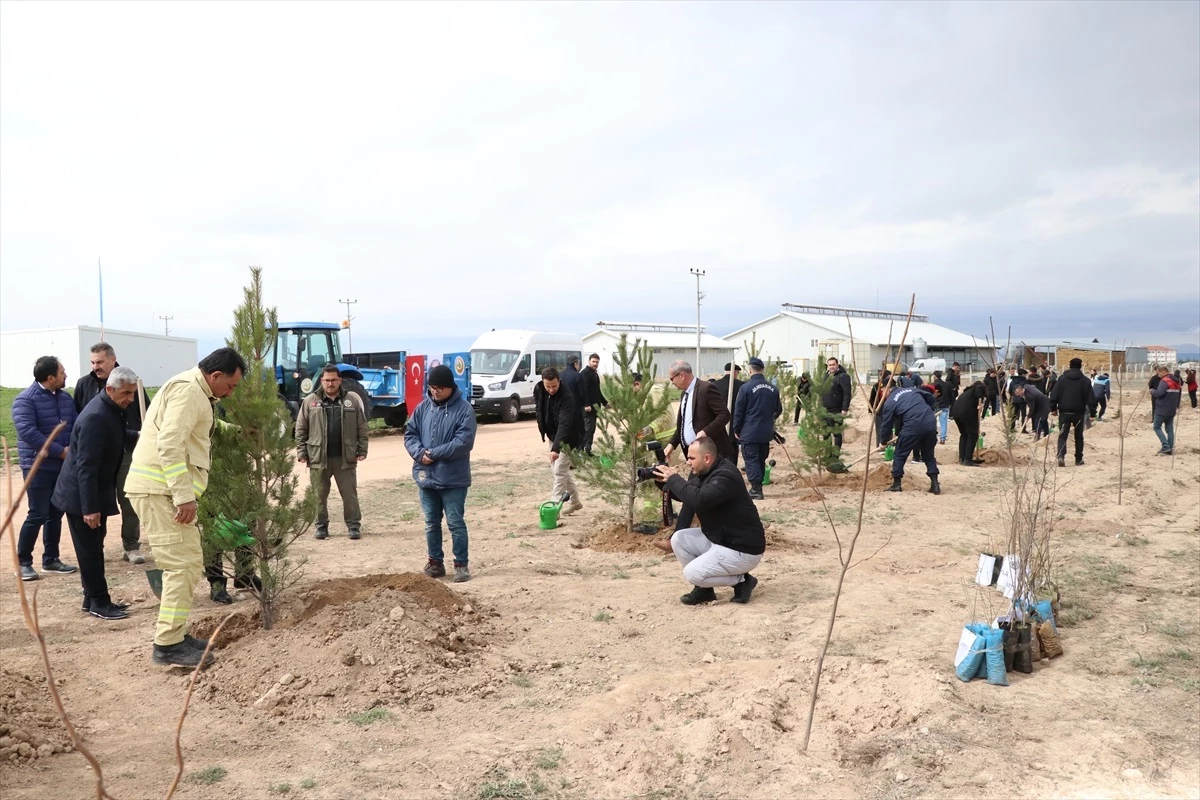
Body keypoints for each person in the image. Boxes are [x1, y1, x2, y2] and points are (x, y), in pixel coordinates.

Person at [125, 348, 245, 668]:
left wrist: (238, 432)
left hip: (162, 491)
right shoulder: (190, 391)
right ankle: (167, 645)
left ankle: (176, 636)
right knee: (181, 566)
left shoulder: (196, 392)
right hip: (161, 492)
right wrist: (184, 496)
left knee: (189, 564)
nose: (230, 393)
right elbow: (170, 444)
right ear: (215, 376)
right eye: (231, 386)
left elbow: (200, 428)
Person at [52, 366, 141, 619]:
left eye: (133, 393)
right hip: (81, 496)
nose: (131, 399)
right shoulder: (95, 417)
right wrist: (89, 508)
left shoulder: (111, 409)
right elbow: (86, 468)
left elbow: (117, 435)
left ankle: (90, 598)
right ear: (110, 389)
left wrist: (141, 436)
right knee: (90, 551)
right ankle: (99, 603)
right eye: (126, 393)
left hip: (91, 492)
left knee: (93, 547)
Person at [653, 437, 765, 605]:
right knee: (679, 539)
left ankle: (742, 581)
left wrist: (675, 479)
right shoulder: (707, 471)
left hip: (742, 549)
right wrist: (664, 482)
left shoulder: (726, 475)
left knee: (692, 573)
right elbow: (688, 495)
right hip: (722, 539)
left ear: (707, 458)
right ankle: (704, 591)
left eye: (691, 458)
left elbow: (699, 500)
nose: (688, 463)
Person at [74, 342, 151, 564]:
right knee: (100, 497)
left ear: (112, 359)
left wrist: (140, 437)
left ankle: (131, 545)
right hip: (99, 453)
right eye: (92, 362)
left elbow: (145, 411)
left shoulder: (132, 382)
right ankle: (98, 543)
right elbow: (79, 416)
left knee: (128, 498)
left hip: (126, 450)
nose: (95, 366)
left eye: (100, 362)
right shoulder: (84, 384)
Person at [405, 364, 478, 582]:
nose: (434, 391)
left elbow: (463, 442)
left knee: (455, 522)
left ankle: (461, 565)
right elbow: (410, 434)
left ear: (450, 388)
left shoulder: (464, 410)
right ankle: (435, 562)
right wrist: (419, 454)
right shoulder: (422, 408)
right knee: (431, 522)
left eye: (439, 388)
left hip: (453, 478)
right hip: (426, 476)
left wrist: (434, 453)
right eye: (431, 387)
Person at [12, 356, 78, 582]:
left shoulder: (65, 399)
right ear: (50, 378)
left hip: (61, 466)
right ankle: (23, 563)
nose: (66, 375)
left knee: (55, 513)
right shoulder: (25, 400)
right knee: (38, 512)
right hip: (37, 466)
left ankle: (51, 559)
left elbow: (75, 424)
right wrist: (60, 451)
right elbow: (28, 433)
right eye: (62, 372)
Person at [295, 364, 370, 540]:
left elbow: (362, 427)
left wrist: (362, 449)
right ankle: (321, 526)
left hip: (345, 457)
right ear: (322, 381)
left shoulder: (351, 400)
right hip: (318, 458)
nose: (330, 383)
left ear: (340, 380)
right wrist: (302, 452)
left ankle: (353, 526)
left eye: (334, 380)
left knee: (350, 495)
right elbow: (300, 429)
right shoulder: (310, 402)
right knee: (319, 495)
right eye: (327, 380)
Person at [534, 366, 585, 514]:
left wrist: (556, 448)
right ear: (543, 382)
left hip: (569, 437)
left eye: (554, 386)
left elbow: (565, 423)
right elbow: (539, 410)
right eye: (547, 386)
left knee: (559, 472)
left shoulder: (566, 396)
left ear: (559, 381)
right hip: (553, 435)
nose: (551, 389)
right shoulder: (539, 390)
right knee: (559, 471)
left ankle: (553, 509)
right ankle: (575, 502)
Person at [664, 361, 735, 461]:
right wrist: (672, 444)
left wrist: (705, 432)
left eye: (672, 378)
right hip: (695, 455)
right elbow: (683, 425)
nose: (672, 382)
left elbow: (724, 414)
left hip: (712, 455)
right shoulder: (684, 394)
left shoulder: (706, 389)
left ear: (682, 375)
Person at [733, 358, 782, 500]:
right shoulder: (773, 388)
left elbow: (739, 411)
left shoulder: (746, 388)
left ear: (750, 370)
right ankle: (758, 485)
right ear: (762, 370)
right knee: (761, 458)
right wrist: (769, 419)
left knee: (751, 459)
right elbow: (778, 409)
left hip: (750, 431)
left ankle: (756, 489)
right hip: (766, 432)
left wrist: (736, 429)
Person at [877, 385, 941, 494]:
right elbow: (930, 397)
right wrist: (929, 409)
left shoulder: (890, 402)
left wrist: (883, 442)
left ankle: (897, 484)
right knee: (928, 455)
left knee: (899, 453)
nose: (882, 394)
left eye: (883, 391)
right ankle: (935, 485)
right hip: (930, 421)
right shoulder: (911, 389)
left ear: (888, 389)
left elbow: (886, 425)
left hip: (912, 425)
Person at [1049, 358, 1096, 467]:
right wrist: (1093, 413)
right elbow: (1091, 399)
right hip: (1079, 412)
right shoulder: (1085, 381)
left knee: (1062, 435)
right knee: (1079, 436)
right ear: (1080, 366)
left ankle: (1061, 456)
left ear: (1069, 366)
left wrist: (1053, 408)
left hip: (1064, 412)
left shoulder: (1062, 379)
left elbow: (1054, 394)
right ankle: (1078, 459)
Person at [819, 357, 853, 464]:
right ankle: (827, 455)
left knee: (837, 434)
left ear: (838, 365)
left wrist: (844, 409)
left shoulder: (843, 376)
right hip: (824, 410)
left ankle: (835, 457)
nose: (831, 367)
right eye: (829, 365)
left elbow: (847, 393)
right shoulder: (825, 376)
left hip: (836, 410)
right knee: (826, 434)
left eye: (833, 364)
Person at [951, 381, 987, 466]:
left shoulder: (967, 392)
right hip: (966, 414)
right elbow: (979, 392)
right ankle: (967, 459)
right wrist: (980, 405)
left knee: (964, 435)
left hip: (956, 413)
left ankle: (962, 458)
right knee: (973, 435)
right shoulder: (978, 388)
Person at [579, 353, 607, 455]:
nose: (595, 363)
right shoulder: (585, 373)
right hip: (587, 409)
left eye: (597, 362)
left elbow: (597, 391)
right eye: (593, 361)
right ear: (589, 361)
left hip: (594, 408)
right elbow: (583, 391)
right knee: (587, 430)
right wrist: (586, 404)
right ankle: (581, 451)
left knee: (591, 430)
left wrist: (605, 403)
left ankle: (587, 450)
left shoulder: (594, 374)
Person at [1150, 366, 1181, 455]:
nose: (1158, 376)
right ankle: (1170, 448)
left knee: (1156, 426)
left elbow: (1159, 393)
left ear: (1163, 372)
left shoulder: (1164, 381)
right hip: (1172, 409)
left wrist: (1152, 391)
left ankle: (1165, 446)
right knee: (1169, 428)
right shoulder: (1176, 381)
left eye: (1159, 373)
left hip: (1162, 408)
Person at [932, 370, 952, 444]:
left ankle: (933, 437)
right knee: (943, 423)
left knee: (932, 422)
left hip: (935, 405)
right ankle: (942, 438)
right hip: (945, 405)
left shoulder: (932, 385)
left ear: (935, 376)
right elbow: (951, 396)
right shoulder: (947, 385)